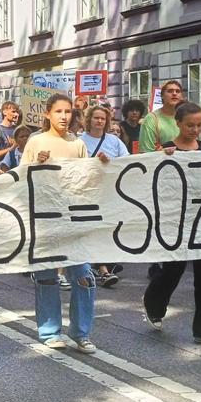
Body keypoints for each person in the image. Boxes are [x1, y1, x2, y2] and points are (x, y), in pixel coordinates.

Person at [143, 101, 201, 347]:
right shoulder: (167, 149)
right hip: (176, 219)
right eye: (190, 125)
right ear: (177, 124)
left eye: (199, 125)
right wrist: (161, 158)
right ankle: (153, 304)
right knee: (173, 269)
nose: (195, 129)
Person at [22, 94, 99, 354]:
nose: (64, 117)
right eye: (58, 112)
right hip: (45, 218)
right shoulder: (36, 142)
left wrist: (104, 167)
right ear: (47, 114)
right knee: (46, 277)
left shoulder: (77, 144)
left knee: (84, 277)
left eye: (68, 112)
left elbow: (87, 179)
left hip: (72, 217)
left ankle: (81, 333)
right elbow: (21, 179)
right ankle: (50, 331)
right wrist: (36, 163)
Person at [79, 106, 128, 288]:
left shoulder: (114, 141)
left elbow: (126, 161)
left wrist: (110, 162)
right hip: (87, 191)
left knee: (104, 229)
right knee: (92, 228)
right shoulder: (80, 141)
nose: (99, 121)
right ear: (89, 120)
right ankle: (102, 269)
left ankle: (100, 267)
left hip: (108, 190)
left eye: (102, 118)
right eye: (96, 118)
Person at [138, 80, 184, 153]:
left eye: (177, 91)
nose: (174, 93)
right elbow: (145, 152)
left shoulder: (186, 117)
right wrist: (163, 152)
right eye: (170, 91)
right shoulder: (151, 119)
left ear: (181, 96)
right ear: (162, 96)